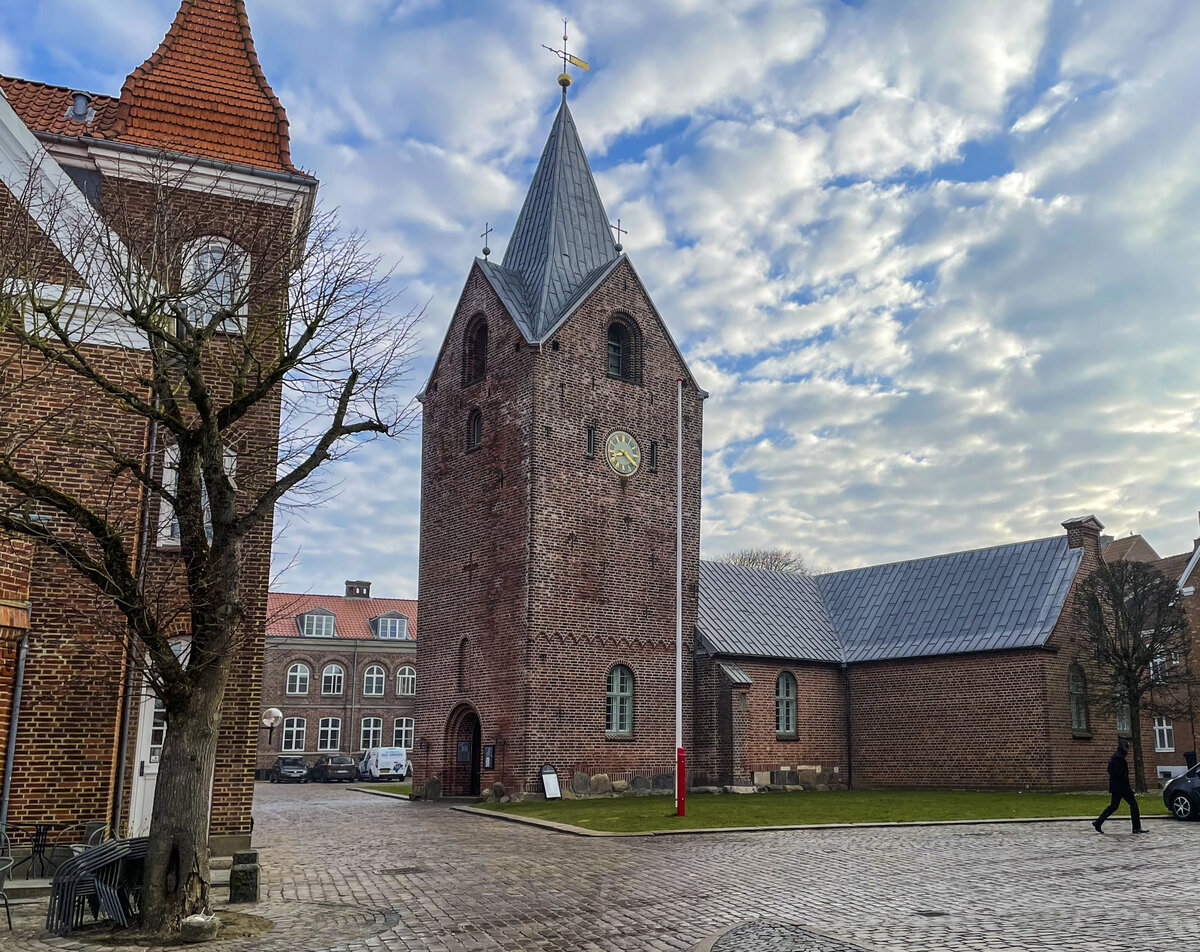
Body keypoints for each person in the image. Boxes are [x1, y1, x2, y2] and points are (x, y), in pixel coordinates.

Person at [1093, 739, 1146, 834]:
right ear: (1124, 748)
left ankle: (1098, 822)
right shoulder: (1119, 758)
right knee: (1133, 804)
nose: (1128, 750)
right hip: (1122, 787)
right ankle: (1136, 827)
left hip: (1116, 786)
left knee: (1114, 806)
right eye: (1127, 748)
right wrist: (1127, 787)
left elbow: (1110, 770)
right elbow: (1122, 775)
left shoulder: (1115, 757)